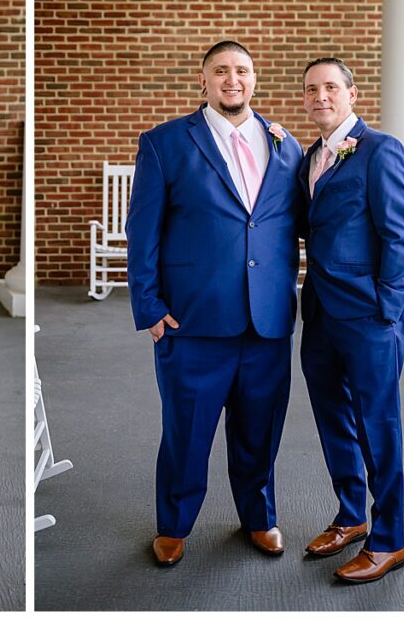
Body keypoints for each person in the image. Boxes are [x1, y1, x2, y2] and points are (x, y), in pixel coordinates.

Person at [125, 40, 304, 566]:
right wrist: (150, 309)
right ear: (203, 81)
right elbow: (144, 232)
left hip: (267, 322)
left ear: (255, 78)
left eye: (242, 71)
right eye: (221, 71)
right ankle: (174, 525)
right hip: (192, 322)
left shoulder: (286, 145)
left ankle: (259, 517)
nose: (233, 79)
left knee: (260, 432)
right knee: (187, 432)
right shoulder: (165, 143)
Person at [297, 57, 404, 583]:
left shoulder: (380, 150)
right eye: (311, 89)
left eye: (330, 87)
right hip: (320, 311)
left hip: (370, 316)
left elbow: (400, 234)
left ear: (351, 94)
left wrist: (387, 310)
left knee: (378, 427)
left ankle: (389, 540)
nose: (320, 96)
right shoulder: (308, 156)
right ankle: (352, 517)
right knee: (333, 419)